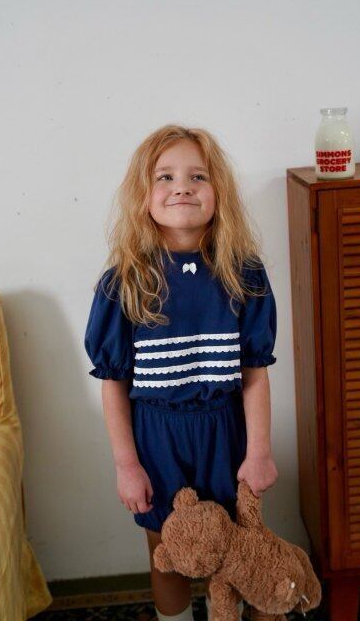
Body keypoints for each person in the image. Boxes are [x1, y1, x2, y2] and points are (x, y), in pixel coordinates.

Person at [84, 124, 278, 621]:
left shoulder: (243, 274)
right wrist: (127, 466)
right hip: (157, 438)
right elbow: (113, 384)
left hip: (226, 430)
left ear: (218, 192)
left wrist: (259, 452)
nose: (182, 187)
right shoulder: (125, 282)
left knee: (235, 550)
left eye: (198, 176)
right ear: (143, 195)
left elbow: (255, 372)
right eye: (165, 177)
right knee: (167, 552)